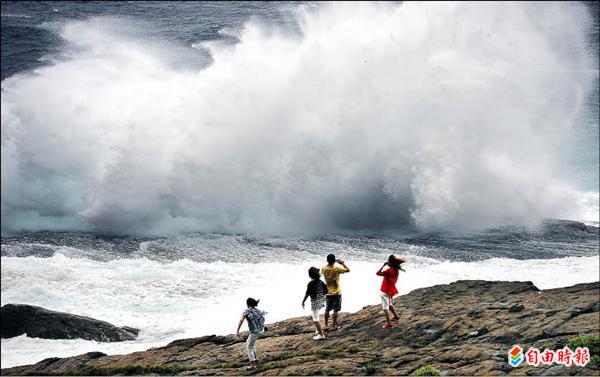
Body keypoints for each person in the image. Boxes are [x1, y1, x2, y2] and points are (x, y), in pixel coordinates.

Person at [236, 297, 267, 369]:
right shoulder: (257, 310)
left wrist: (237, 331)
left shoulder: (247, 311)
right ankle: (256, 360)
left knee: (249, 346)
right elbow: (261, 319)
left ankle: (252, 365)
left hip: (255, 332)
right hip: (261, 330)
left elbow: (241, 320)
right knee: (251, 344)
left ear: (247, 304)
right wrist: (264, 326)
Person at [321, 254, 350, 331]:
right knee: (335, 310)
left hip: (328, 292)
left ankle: (326, 326)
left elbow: (328, 267)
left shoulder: (323, 269)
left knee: (327, 310)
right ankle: (333, 326)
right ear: (334, 261)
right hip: (337, 292)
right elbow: (348, 270)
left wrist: (334, 262)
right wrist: (341, 263)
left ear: (327, 260)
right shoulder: (336, 269)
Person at [377, 254, 405, 329]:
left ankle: (389, 324)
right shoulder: (396, 269)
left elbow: (378, 273)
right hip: (391, 290)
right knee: (389, 303)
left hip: (385, 290)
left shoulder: (389, 271)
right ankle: (396, 316)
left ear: (390, 263)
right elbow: (392, 269)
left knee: (385, 307)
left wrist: (383, 266)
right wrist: (389, 265)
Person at [302, 266, 328, 340]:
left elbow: (307, 294)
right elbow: (326, 291)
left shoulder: (310, 284)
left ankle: (321, 335)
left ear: (310, 275)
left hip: (315, 303)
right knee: (316, 315)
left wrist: (303, 301)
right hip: (322, 301)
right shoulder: (321, 282)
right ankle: (318, 329)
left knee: (315, 319)